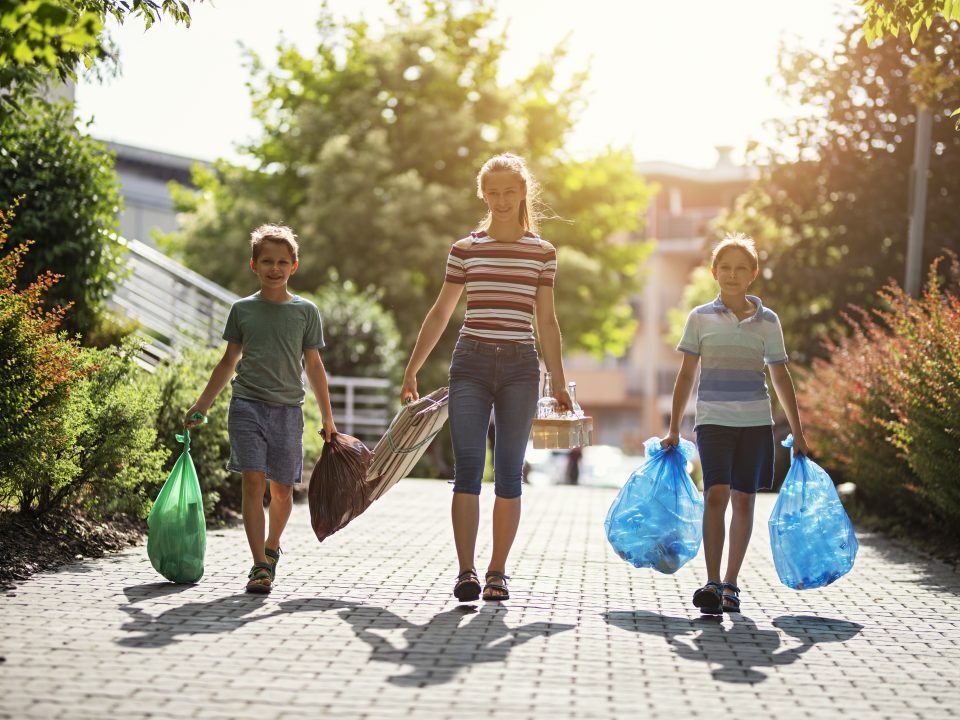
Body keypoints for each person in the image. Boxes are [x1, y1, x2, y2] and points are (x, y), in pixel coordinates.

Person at [400, 153, 571, 602]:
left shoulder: (543, 253)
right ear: (482, 194)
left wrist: (557, 379)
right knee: (469, 470)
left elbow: (547, 322)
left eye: (508, 191)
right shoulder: (465, 249)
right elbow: (441, 311)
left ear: (522, 193)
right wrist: (413, 366)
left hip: (520, 366)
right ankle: (466, 571)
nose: (500, 199)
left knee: (510, 473)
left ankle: (497, 571)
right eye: (492, 192)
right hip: (470, 364)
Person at [185, 223, 337, 594]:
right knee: (253, 482)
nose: (275, 268)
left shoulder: (306, 312)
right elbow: (228, 362)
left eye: (282, 261)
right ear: (253, 265)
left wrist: (329, 418)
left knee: (282, 491)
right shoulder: (242, 310)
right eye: (267, 261)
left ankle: (273, 545)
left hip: (288, 410)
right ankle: (258, 566)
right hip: (246, 405)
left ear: (294, 266)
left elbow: (314, 367)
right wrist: (202, 404)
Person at [661, 233, 809, 615]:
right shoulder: (699, 318)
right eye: (725, 267)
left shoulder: (768, 322)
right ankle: (711, 582)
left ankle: (731, 583)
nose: (732, 274)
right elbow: (685, 376)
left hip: (756, 424)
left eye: (740, 268)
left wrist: (798, 431)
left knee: (744, 500)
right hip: (712, 421)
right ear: (714, 272)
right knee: (716, 495)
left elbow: (780, 377)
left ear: (753, 274)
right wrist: (674, 427)